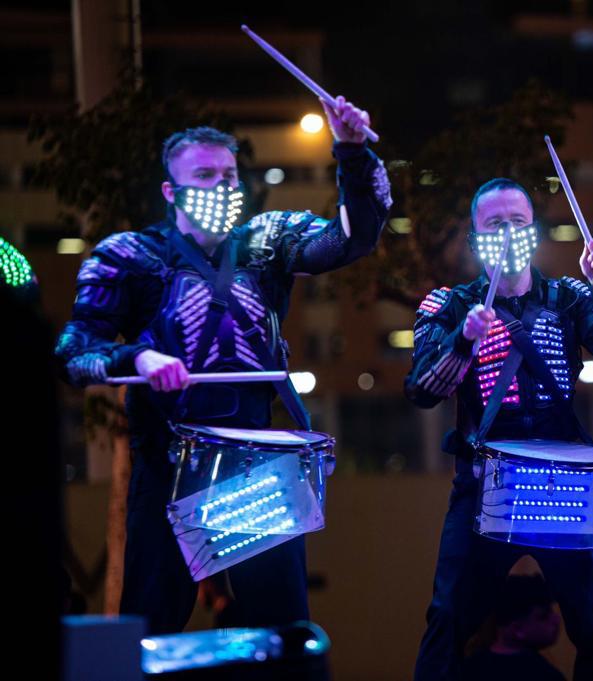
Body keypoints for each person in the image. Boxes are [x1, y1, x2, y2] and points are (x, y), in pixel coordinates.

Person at [55, 96, 391, 634]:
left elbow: (350, 239)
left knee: (283, 632)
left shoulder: (266, 241)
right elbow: (73, 353)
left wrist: (351, 152)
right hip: (169, 467)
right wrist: (135, 356)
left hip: (255, 465)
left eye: (229, 175)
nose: (221, 187)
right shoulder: (130, 254)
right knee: (151, 627)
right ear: (170, 191)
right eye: (204, 175)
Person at [406, 177, 593, 680]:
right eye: (494, 224)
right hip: (484, 485)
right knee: (448, 621)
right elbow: (422, 390)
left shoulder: (569, 297)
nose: (507, 232)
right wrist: (462, 342)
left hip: (563, 485)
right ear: (475, 235)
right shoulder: (448, 305)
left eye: (518, 222)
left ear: (534, 230)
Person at [463, 573, 566, 681]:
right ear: (517, 629)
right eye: (543, 616)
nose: (556, 619)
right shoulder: (544, 675)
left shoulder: (469, 668)